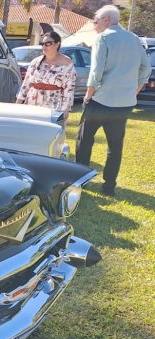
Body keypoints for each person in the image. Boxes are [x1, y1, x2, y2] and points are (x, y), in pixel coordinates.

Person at [76, 5, 151, 197]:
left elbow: (96, 72)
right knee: (115, 147)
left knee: (84, 141)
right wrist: (134, 91)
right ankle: (109, 187)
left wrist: (88, 96)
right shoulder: (135, 39)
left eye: (96, 21)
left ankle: (81, 181)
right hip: (124, 104)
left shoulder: (103, 38)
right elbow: (146, 69)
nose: (95, 25)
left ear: (106, 20)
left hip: (99, 101)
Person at [15, 31, 76, 117]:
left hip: (53, 107)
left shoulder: (67, 64)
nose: (44, 46)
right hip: (31, 105)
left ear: (57, 44)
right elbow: (25, 85)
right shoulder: (35, 62)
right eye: (42, 44)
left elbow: (69, 91)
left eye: (48, 43)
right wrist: (18, 105)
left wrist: (65, 112)